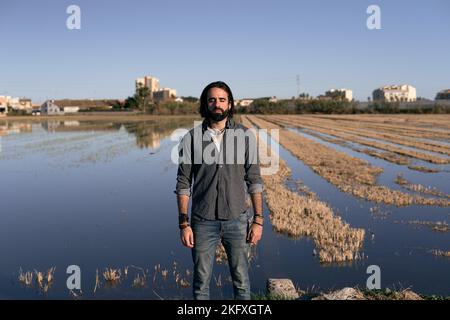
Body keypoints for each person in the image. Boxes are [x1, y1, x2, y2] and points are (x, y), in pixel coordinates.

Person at [175, 81, 264, 300]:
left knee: (242, 282)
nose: (217, 104)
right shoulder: (191, 138)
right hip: (202, 222)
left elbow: (254, 180)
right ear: (205, 104)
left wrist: (258, 220)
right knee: (200, 283)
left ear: (230, 104)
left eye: (222, 100)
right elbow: (183, 183)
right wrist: (184, 224)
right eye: (212, 100)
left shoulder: (245, 136)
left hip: (237, 220)